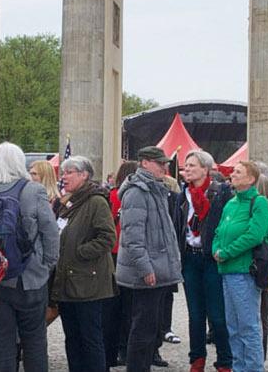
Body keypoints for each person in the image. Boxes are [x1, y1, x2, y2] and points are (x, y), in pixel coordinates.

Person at [0, 143, 58, 372]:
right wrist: (46, 265)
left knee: (1, 341)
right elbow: (50, 232)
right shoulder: (33, 190)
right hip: (30, 277)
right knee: (34, 341)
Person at [116, 147, 183, 372]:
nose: (165, 167)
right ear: (145, 163)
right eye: (159, 163)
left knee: (149, 328)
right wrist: (145, 268)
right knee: (142, 330)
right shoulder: (137, 192)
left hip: (157, 268)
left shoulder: (155, 189)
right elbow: (132, 238)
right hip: (146, 271)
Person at [212, 160, 268, 372]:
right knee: (232, 327)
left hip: (244, 271)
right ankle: (238, 367)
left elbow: (254, 235)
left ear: (251, 179)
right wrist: (216, 248)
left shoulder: (258, 203)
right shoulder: (230, 203)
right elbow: (219, 230)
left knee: (248, 326)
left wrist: (227, 252)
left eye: (238, 172)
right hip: (227, 271)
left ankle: (254, 368)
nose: (232, 174)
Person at [56, 157, 117, 372]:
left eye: (69, 172)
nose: (64, 177)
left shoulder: (96, 201)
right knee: (72, 337)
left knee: (90, 338)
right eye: (63, 173)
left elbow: (108, 237)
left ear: (84, 175)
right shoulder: (67, 202)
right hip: (67, 280)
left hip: (88, 282)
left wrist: (81, 252)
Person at [174, 150, 234, 372]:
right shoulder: (182, 194)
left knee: (217, 315)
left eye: (191, 165)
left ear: (205, 169)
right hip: (190, 257)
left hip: (211, 259)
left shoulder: (221, 192)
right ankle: (197, 359)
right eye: (186, 165)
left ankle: (224, 360)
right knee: (195, 313)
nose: (186, 169)